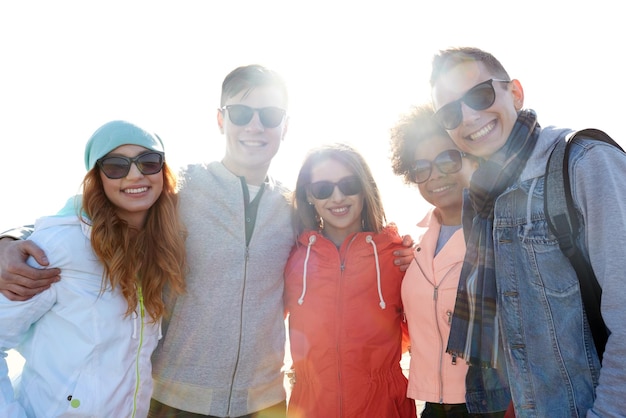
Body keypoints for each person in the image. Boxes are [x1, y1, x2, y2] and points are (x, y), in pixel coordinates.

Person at [0, 65, 415, 418]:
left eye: (270, 115)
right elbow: (100, 207)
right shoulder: (181, 189)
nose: (256, 125)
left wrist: (405, 255)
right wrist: (13, 237)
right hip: (175, 399)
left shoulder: (293, 207)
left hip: (264, 403)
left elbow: (341, 251)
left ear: (285, 127)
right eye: (242, 112)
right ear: (221, 120)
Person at [430, 46, 626, 417]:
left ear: (515, 93)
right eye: (450, 112)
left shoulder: (585, 163)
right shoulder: (483, 199)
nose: (468, 117)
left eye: (480, 95)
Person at [0, 120, 187, 417]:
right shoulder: (61, 246)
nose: (135, 174)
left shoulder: (161, 249)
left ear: (162, 172)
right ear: (97, 177)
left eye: (148, 162)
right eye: (116, 166)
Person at [390, 103, 511, 418]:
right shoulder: (416, 248)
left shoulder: (503, 233)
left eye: (447, 159)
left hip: (492, 406)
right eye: (421, 167)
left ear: (472, 157)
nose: (435, 176)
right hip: (432, 407)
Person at [283, 143, 416, 418]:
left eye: (349, 185)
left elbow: (426, 333)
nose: (337, 197)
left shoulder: (396, 256)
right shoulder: (293, 259)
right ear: (310, 195)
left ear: (365, 188)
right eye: (323, 189)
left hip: (384, 409)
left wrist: (426, 264)